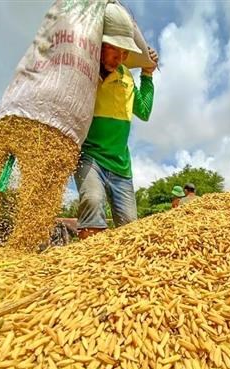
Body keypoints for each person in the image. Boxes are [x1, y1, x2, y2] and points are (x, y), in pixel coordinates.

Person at [74, 3, 158, 239]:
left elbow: (143, 111)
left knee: (131, 225)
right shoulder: (84, 71)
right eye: (114, 50)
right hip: (90, 158)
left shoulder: (127, 78)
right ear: (100, 45)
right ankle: (88, 266)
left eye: (124, 53)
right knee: (92, 199)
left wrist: (148, 76)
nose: (119, 57)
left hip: (121, 166)